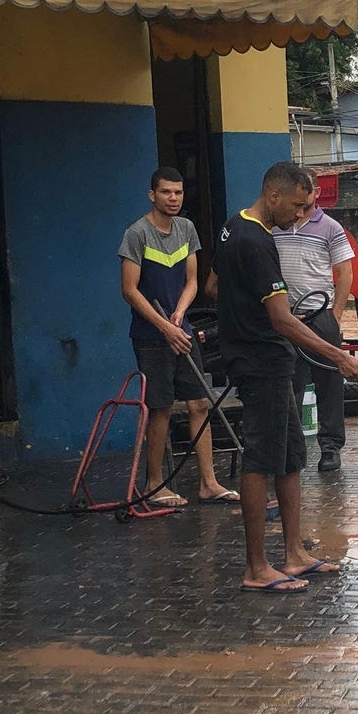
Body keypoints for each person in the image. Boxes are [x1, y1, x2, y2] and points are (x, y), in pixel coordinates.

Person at [216, 163, 358, 592]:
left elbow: (217, 286)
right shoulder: (254, 241)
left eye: (308, 208)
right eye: (298, 207)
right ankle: (256, 567)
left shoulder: (235, 229)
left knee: (289, 455)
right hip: (259, 361)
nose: (300, 216)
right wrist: (337, 356)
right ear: (274, 196)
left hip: (272, 356)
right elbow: (282, 319)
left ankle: (294, 552)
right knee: (260, 458)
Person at [119, 168, 236, 508]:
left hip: (180, 330)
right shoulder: (136, 234)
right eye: (166, 192)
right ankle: (153, 486)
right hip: (151, 336)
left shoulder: (186, 229)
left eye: (178, 193)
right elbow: (129, 291)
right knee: (162, 409)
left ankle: (208, 483)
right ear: (151, 194)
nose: (173, 198)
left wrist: (180, 315)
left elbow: (192, 282)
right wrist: (164, 326)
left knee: (200, 403)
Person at [272, 174, 356, 474]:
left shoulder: (330, 227)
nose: (302, 196)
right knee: (288, 384)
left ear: (316, 192)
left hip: (320, 315)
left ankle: (330, 448)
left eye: (307, 189)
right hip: (284, 318)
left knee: (329, 384)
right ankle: (289, 447)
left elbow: (345, 273)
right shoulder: (275, 225)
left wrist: (335, 315)